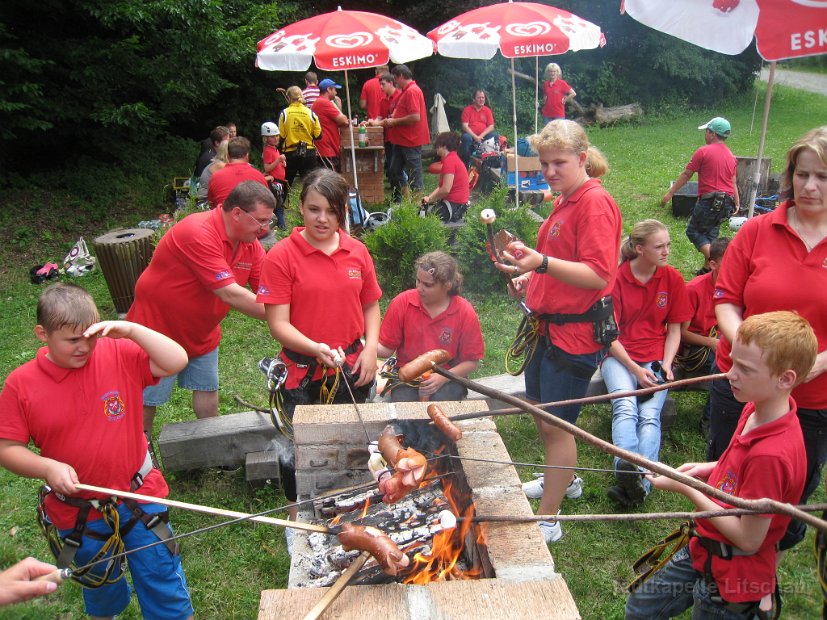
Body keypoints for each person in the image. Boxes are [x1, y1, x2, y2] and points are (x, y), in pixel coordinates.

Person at [0, 283, 193, 619]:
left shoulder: (117, 353)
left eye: (90, 336)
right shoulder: (22, 385)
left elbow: (176, 360)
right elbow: (7, 447)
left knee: (160, 575)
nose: (84, 347)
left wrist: (130, 330)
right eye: (72, 340)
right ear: (42, 334)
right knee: (100, 584)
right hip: (79, 513)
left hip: (138, 497)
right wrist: (47, 468)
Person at [625, 311, 818, 620]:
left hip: (733, 577)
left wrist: (688, 488)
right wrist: (707, 468)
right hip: (705, 545)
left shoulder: (771, 455)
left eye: (745, 368)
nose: (731, 374)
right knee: (640, 608)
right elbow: (739, 465)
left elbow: (748, 537)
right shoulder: (757, 409)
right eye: (733, 362)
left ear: (785, 379)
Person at [497, 119, 622, 543]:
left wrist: (542, 265)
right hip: (545, 327)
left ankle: (549, 519)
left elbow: (598, 275)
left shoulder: (594, 203)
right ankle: (564, 481)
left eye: (559, 163)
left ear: (583, 159)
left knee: (558, 424)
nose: (549, 171)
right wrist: (532, 278)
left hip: (575, 335)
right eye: (544, 163)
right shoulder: (565, 199)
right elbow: (559, 262)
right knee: (540, 411)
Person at [707, 126, 827, 552]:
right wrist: (750, 356)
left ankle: (760, 563)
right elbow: (725, 298)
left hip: (813, 399)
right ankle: (718, 550)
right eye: (802, 173)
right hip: (737, 383)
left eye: (823, 176)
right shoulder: (758, 230)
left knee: (785, 497)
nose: (809, 185)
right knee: (728, 473)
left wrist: (820, 361)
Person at [256, 168, 381, 529]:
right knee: (298, 447)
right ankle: (297, 521)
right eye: (314, 209)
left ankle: (347, 507)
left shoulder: (356, 251)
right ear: (300, 208)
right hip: (303, 371)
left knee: (352, 442)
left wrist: (371, 349)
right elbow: (278, 323)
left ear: (343, 210)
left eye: (331, 210)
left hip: (352, 366)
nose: (322, 219)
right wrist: (316, 347)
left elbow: (371, 305)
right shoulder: (282, 256)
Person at [127, 181, 276, 433]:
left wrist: (290, 307)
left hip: (201, 331)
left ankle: (211, 444)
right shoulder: (198, 231)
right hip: (158, 329)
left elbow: (270, 290)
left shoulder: (249, 243)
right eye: (261, 221)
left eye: (267, 222)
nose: (265, 229)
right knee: (146, 397)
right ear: (237, 213)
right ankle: (139, 455)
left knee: (206, 388)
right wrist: (284, 317)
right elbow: (230, 293)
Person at [601, 220, 691, 508]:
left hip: (655, 357)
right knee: (626, 404)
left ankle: (636, 480)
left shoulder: (672, 279)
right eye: (659, 246)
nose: (666, 251)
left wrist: (665, 365)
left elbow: (674, 329)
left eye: (668, 245)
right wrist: (635, 369)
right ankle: (628, 470)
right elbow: (609, 336)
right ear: (639, 249)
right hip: (619, 356)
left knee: (650, 414)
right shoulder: (616, 278)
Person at [378, 251, 484, 402]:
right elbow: (387, 348)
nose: (419, 288)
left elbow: (472, 362)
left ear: (447, 285)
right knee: (405, 411)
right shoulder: (402, 302)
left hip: (448, 376)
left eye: (427, 285)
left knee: (442, 406)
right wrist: (363, 346)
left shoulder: (464, 311)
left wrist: (442, 378)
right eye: (418, 281)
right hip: (407, 375)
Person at [660, 117, 740, 273]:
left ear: (712, 134)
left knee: (694, 231)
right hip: (726, 202)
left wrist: (670, 193)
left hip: (710, 200)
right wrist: (736, 202)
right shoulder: (731, 157)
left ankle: (722, 264)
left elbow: (687, 174)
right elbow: (733, 182)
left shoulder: (703, 151)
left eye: (707, 131)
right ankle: (706, 270)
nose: (705, 134)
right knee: (711, 235)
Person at [678, 236, 730, 434]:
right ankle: (711, 422)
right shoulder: (694, 289)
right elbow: (680, 333)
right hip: (693, 350)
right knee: (723, 367)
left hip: (717, 342)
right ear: (712, 264)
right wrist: (711, 342)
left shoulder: (735, 286)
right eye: (728, 263)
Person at [383, 64, 429, 201]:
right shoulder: (405, 91)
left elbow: (415, 117)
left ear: (401, 76)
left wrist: (394, 122)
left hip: (411, 140)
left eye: (395, 79)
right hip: (401, 140)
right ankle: (407, 200)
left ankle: (417, 207)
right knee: (394, 170)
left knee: (415, 175)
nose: (395, 83)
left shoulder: (412, 91)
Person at [278, 85, 322, 192]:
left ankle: (280, 207)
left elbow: (281, 136)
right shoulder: (311, 113)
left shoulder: (285, 113)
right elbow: (318, 135)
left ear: (288, 98)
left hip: (290, 153)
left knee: (285, 185)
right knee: (310, 187)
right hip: (308, 153)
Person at [421, 132, 470, 223]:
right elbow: (442, 187)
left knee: (424, 216)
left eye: (438, 145)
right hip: (456, 204)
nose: (436, 148)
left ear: (444, 146)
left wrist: (430, 200)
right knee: (424, 211)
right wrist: (429, 198)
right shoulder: (452, 159)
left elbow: (445, 189)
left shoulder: (450, 161)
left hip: (454, 205)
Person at [207, 136, 268, 209]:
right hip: (250, 218)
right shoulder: (259, 176)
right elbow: (266, 203)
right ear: (247, 155)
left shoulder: (215, 177)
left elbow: (211, 204)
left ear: (228, 155)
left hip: (224, 218)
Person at [367, 73, 403, 191]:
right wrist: (370, 122)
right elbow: (380, 117)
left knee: (398, 169)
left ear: (391, 83)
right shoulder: (382, 99)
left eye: (383, 84)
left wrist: (376, 123)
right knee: (391, 169)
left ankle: (402, 197)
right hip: (388, 138)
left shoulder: (399, 96)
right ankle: (395, 196)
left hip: (399, 138)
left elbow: (391, 119)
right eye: (380, 85)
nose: (381, 87)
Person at [312, 78, 350, 172]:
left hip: (326, 148)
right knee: (331, 181)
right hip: (327, 149)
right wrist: (339, 106)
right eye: (334, 89)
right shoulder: (324, 102)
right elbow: (343, 120)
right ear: (329, 89)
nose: (336, 93)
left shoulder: (319, 102)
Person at [459, 89, 497, 167]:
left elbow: (491, 126)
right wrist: (475, 137)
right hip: (471, 136)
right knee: (466, 137)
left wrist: (480, 136)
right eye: (479, 98)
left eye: (483, 98)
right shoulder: (467, 110)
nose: (481, 99)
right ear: (474, 99)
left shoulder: (487, 110)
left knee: (495, 136)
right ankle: (465, 165)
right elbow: (464, 126)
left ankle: (490, 162)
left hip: (483, 136)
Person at [261, 122, 288, 229]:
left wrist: (282, 162)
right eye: (272, 136)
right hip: (275, 182)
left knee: (279, 204)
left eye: (277, 135)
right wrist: (278, 160)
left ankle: (279, 224)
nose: (276, 138)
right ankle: (282, 226)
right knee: (278, 206)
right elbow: (267, 168)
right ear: (266, 138)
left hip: (279, 181)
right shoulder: (268, 150)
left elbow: (276, 163)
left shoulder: (274, 148)